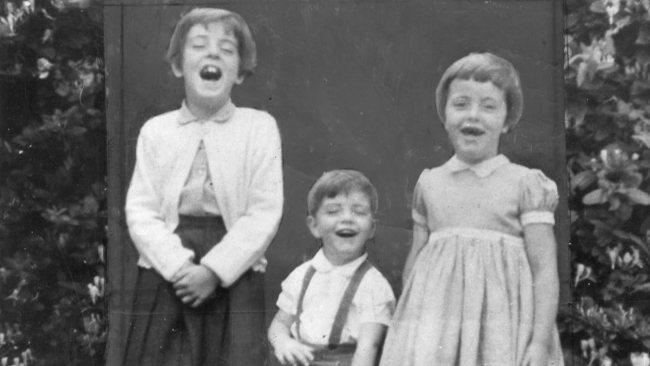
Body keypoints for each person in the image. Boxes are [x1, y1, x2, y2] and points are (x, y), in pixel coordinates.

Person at [380, 53, 564, 366]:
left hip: (503, 333)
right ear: (444, 115)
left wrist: (540, 341)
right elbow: (416, 264)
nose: (473, 115)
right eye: (461, 104)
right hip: (437, 332)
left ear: (507, 121)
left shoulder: (526, 184)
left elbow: (544, 270)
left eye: (489, 106)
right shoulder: (430, 183)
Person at [123, 8, 283, 366]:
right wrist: (179, 267)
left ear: (239, 71)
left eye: (227, 49)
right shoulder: (156, 131)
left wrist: (213, 271)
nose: (213, 54)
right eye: (199, 45)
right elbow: (141, 210)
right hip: (168, 268)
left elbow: (263, 211)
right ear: (179, 65)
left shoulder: (258, 128)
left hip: (233, 267)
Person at [268, 170, 395, 366]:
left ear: (372, 228)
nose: (347, 218)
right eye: (333, 211)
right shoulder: (301, 275)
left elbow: (368, 347)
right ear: (314, 226)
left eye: (359, 211)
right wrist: (283, 343)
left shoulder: (373, 285)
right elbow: (279, 324)